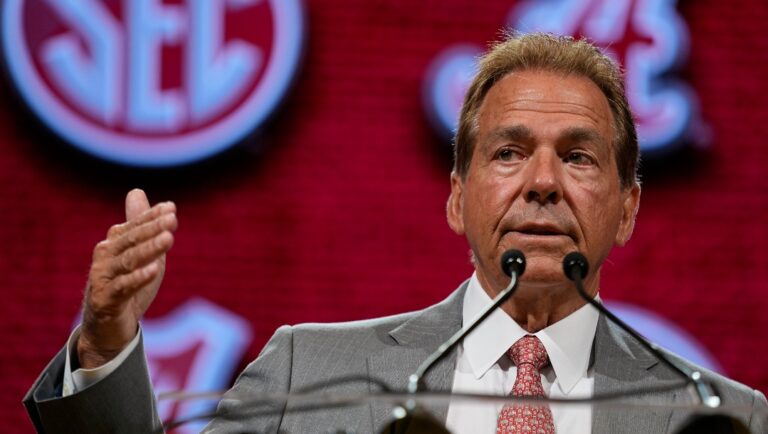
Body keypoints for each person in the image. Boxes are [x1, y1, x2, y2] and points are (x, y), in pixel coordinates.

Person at [24, 33, 767, 434]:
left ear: (629, 209)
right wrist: (104, 347)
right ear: (455, 199)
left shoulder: (725, 418)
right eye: (508, 152)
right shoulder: (306, 374)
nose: (543, 180)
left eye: (578, 157)